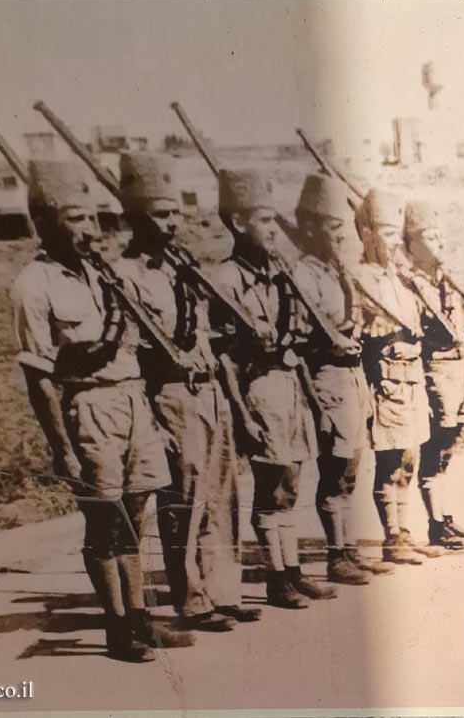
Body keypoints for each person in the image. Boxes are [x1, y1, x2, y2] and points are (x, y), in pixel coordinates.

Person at [11, 158, 189, 663]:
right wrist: (62, 448)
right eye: (75, 218)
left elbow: (131, 349)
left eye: (92, 217)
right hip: (87, 408)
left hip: (131, 401)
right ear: (44, 223)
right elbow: (39, 377)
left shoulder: (102, 274)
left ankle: (140, 618)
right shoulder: (34, 284)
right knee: (105, 522)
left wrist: (148, 414)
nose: (89, 228)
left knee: (135, 517)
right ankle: (117, 628)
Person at [113, 151, 259, 631]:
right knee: (184, 501)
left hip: (210, 391)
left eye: (175, 212)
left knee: (223, 496)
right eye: (161, 214)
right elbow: (131, 355)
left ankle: (224, 592)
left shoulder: (182, 268)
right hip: (171, 396)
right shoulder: (126, 275)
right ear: (136, 218)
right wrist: (150, 418)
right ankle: (191, 598)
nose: (172, 223)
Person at [214, 168, 336, 608]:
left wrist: (315, 402)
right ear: (237, 222)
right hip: (258, 390)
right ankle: (275, 577)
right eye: (263, 220)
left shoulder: (280, 275)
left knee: (292, 484)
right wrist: (242, 415)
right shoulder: (225, 280)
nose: (272, 229)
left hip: (290, 389)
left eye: (274, 220)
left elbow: (296, 345)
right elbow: (224, 357)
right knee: (271, 489)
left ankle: (293, 572)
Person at [291, 174, 393, 584]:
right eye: (331, 228)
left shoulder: (337, 272)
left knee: (351, 469)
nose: (339, 237)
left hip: (353, 380)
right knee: (334, 470)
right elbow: (299, 337)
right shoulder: (303, 275)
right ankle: (336, 557)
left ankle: (349, 550)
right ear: (308, 227)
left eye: (342, 229)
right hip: (327, 380)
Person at [403, 200, 464, 549]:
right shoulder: (410, 286)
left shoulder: (447, 282)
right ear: (412, 244)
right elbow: (419, 337)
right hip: (437, 370)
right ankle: (435, 524)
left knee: (449, 447)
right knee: (435, 445)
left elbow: (456, 334)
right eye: (431, 237)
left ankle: (444, 516)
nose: (440, 243)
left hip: (461, 368)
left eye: (441, 236)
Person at [355, 189, 436, 565]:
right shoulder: (360, 280)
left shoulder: (402, 280)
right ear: (367, 234)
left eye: (395, 233)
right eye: (385, 233)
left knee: (408, 459)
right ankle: (391, 536)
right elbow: (357, 334)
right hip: (385, 382)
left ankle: (405, 532)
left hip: (412, 380)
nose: (393, 241)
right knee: (389, 462)